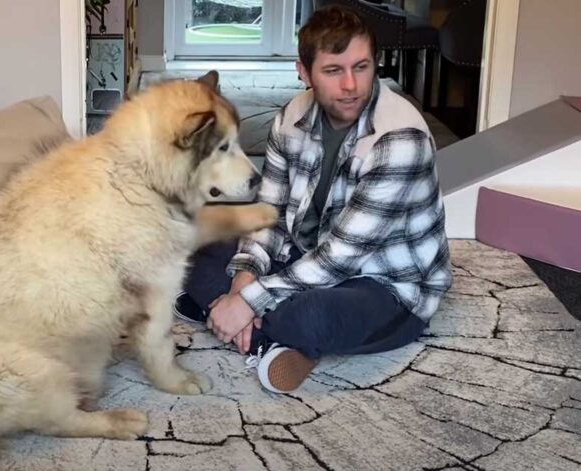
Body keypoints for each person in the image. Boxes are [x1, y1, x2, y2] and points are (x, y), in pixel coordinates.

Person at [174, 5, 453, 393]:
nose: (351, 85)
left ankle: (227, 315)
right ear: (303, 72)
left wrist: (248, 299)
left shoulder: (399, 139)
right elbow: (267, 215)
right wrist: (244, 281)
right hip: (304, 256)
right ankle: (260, 334)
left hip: (385, 284)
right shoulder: (290, 118)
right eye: (333, 71)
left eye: (362, 67)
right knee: (195, 245)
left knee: (311, 317)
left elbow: (342, 257)